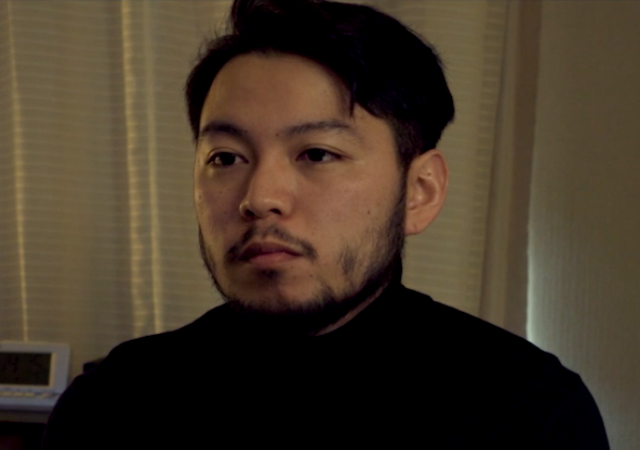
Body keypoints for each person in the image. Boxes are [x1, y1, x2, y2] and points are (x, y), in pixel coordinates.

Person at [41, 0, 609, 448]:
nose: (260, 198)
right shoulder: (113, 405)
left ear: (420, 191)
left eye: (316, 154)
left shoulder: (527, 411)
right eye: (226, 158)